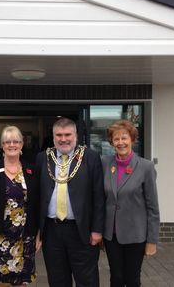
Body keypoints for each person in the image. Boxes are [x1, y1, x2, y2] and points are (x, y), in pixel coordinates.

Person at [36, 117, 105, 287]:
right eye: (59, 135)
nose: (63, 139)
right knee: (57, 280)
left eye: (67, 134)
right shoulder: (43, 158)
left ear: (75, 135)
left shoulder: (90, 157)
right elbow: (37, 194)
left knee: (86, 280)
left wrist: (97, 229)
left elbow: (99, 196)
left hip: (82, 231)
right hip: (52, 231)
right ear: (53, 137)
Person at [0, 126, 41, 287]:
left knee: (21, 283)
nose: (12, 145)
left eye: (16, 141)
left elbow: (37, 205)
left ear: (22, 144)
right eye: (8, 141)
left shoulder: (32, 170)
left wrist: (39, 235)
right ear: (3, 145)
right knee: (2, 283)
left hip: (25, 238)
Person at [101, 119, 160, 287]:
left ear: (133, 139)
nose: (120, 143)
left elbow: (153, 207)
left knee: (132, 279)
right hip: (111, 235)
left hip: (135, 235)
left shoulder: (146, 167)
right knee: (116, 278)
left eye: (124, 138)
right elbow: (101, 199)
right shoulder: (105, 164)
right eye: (116, 139)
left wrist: (152, 241)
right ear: (111, 142)